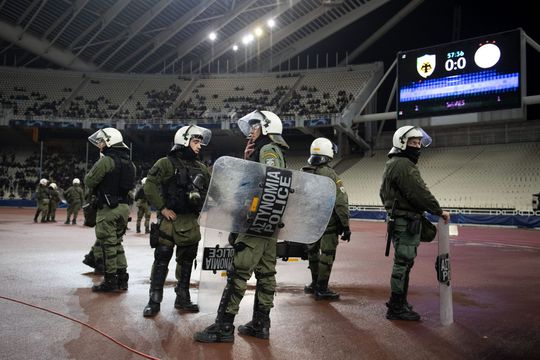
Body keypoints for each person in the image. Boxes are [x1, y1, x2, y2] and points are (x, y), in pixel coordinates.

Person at [194, 110, 288, 343]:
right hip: (268, 224)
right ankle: (260, 324)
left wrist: (251, 217)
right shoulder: (265, 151)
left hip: (256, 223)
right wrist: (248, 161)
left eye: (255, 127)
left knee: (238, 271)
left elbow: (271, 185)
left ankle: (224, 327)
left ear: (267, 128)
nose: (251, 132)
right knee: (266, 273)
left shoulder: (268, 151)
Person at [379, 125, 450, 321]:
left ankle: (399, 302)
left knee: (405, 262)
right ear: (402, 143)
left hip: (402, 220)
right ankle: (396, 306)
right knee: (403, 263)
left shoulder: (395, 162)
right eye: (413, 142)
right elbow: (419, 192)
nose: (418, 146)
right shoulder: (403, 164)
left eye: (419, 142)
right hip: (405, 221)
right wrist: (438, 210)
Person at [142, 125, 211, 317]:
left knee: (187, 260)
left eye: (200, 142)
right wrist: (162, 208)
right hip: (169, 221)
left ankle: (183, 297)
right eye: (195, 142)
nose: (199, 146)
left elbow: (211, 191)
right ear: (184, 141)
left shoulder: (202, 168)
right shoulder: (165, 163)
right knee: (162, 257)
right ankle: (154, 300)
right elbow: (150, 186)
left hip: (190, 220)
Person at [84, 127, 135, 292]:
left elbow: (89, 181)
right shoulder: (130, 163)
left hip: (108, 209)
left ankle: (110, 281)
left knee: (108, 245)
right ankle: (123, 279)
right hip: (124, 208)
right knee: (118, 244)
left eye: (102, 141)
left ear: (110, 141)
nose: (99, 144)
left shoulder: (106, 161)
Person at [302, 137, 351, 300]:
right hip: (327, 222)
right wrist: (345, 226)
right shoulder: (330, 175)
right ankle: (322, 288)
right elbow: (341, 202)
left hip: (310, 221)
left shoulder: (305, 172)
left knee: (312, 252)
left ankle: (314, 283)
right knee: (327, 254)